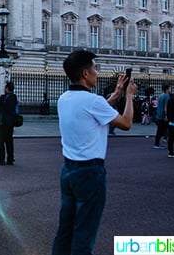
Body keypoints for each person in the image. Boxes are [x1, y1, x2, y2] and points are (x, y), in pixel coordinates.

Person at [51, 49, 135, 255]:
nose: (97, 72)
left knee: (65, 229)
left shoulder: (64, 99)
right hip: (90, 173)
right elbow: (126, 123)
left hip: (68, 170)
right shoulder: (92, 101)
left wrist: (116, 95)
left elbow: (90, 114)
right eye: (94, 69)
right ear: (85, 74)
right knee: (84, 232)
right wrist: (129, 97)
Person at [0, 81, 18, 165]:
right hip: (10, 123)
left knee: (0, 141)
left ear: (7, 88)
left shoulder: (3, 98)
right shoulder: (13, 97)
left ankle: (0, 159)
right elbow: (4, 101)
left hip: (2, 123)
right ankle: (10, 158)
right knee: (9, 141)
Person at [153, 84, 170, 149]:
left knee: (160, 129)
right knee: (166, 129)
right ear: (167, 89)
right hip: (163, 116)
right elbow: (166, 107)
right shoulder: (166, 96)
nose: (170, 90)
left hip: (159, 115)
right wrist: (166, 115)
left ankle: (159, 141)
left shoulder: (160, 96)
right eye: (169, 89)